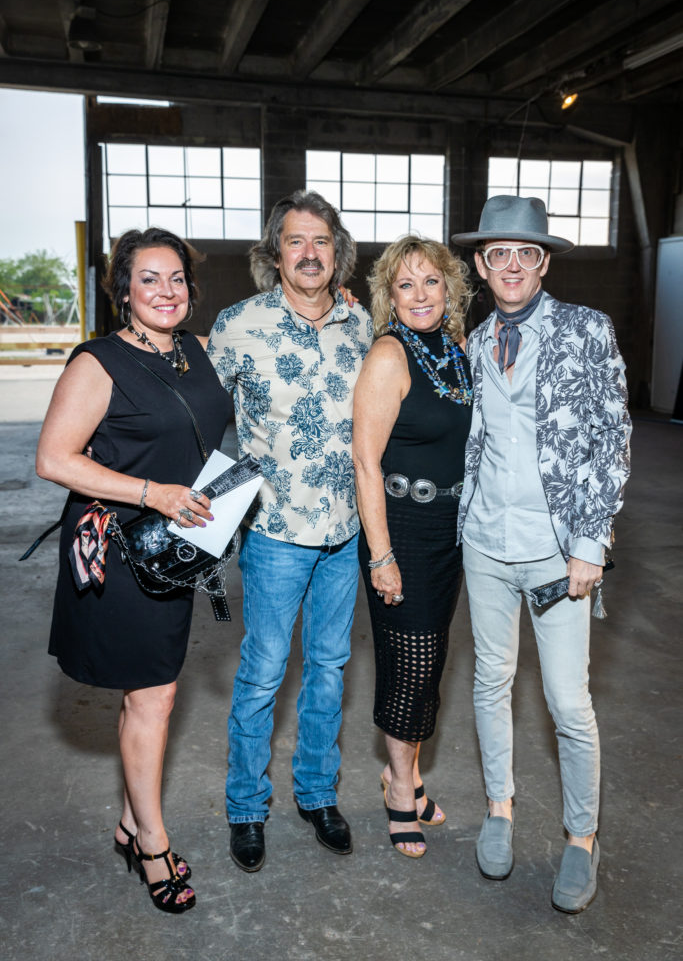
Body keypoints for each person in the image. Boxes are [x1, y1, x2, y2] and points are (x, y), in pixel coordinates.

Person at [37, 228, 233, 913]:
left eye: (176, 278)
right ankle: (150, 840)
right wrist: (154, 493)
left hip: (174, 547)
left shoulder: (196, 353)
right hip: (119, 546)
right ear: (122, 289)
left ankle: (129, 819)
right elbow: (55, 459)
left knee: (154, 693)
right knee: (153, 696)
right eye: (148, 279)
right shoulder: (98, 362)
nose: (165, 291)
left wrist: (345, 303)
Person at [451, 195, 631, 912]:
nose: (513, 265)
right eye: (498, 253)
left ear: (543, 262)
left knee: (566, 701)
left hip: (559, 552)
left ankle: (581, 837)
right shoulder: (474, 339)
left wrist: (591, 543)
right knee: (490, 682)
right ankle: (499, 808)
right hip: (486, 543)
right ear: (480, 265)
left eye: (526, 253)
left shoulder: (587, 329)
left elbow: (610, 439)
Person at [208, 190, 373, 872]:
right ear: (274, 252)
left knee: (330, 670)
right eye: (295, 241)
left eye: (322, 241)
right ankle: (247, 806)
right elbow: (188, 408)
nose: (309, 253)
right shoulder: (237, 325)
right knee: (263, 674)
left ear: (338, 253)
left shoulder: (363, 326)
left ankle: (315, 794)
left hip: (346, 532)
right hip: (274, 531)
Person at [352, 236, 473, 858]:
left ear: (449, 288)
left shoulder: (454, 352)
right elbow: (365, 463)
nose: (420, 294)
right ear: (389, 296)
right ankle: (400, 790)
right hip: (402, 529)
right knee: (411, 667)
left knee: (431, 663)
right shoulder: (389, 355)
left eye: (431, 281)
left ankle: (410, 773)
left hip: (450, 534)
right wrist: (381, 555)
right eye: (406, 284)